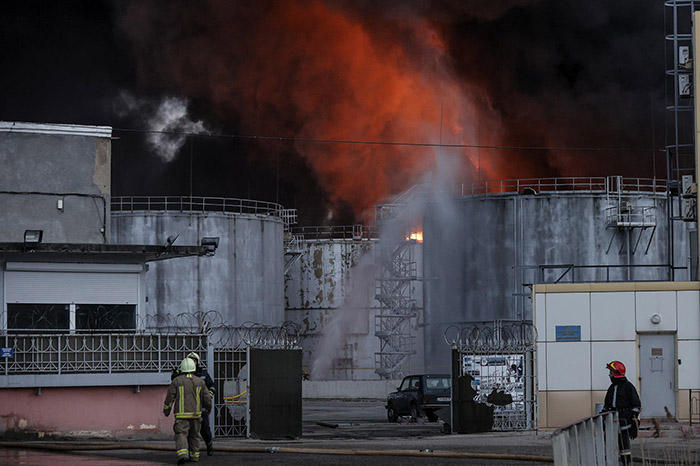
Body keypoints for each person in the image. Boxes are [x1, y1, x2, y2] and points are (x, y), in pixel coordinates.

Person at [164, 357, 212, 464]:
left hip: (181, 416)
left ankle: (183, 455)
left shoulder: (176, 381)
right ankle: (194, 457)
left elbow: (169, 398)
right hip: (196, 414)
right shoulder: (200, 381)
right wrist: (209, 408)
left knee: (181, 434)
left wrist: (166, 411)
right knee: (195, 435)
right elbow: (207, 398)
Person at [601, 360, 641, 465]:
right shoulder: (611, 388)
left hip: (624, 422)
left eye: (611, 372)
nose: (609, 375)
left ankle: (626, 463)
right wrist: (602, 417)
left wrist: (633, 419)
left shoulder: (628, 387)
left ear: (616, 373)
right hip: (612, 423)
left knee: (624, 446)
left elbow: (636, 405)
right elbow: (607, 405)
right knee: (610, 445)